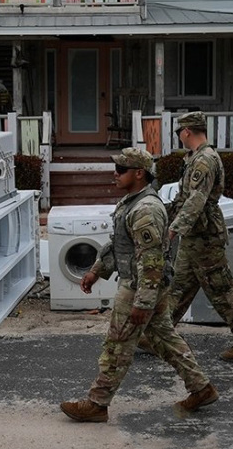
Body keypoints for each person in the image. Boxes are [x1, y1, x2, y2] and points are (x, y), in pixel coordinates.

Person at [60, 147, 218, 422]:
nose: (115, 174)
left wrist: (142, 302)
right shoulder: (132, 202)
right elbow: (121, 245)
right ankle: (201, 387)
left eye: (121, 170)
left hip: (139, 287)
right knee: (164, 340)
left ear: (139, 173)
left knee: (117, 345)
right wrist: (97, 270)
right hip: (146, 285)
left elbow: (151, 260)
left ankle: (97, 404)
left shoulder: (145, 209)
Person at [166, 111, 233, 362]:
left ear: (187, 132)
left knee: (221, 289)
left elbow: (196, 201)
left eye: (179, 132)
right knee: (179, 286)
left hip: (205, 236)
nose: (179, 137)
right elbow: (183, 198)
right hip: (194, 236)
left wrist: (175, 227)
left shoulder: (204, 161)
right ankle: (160, 333)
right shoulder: (195, 157)